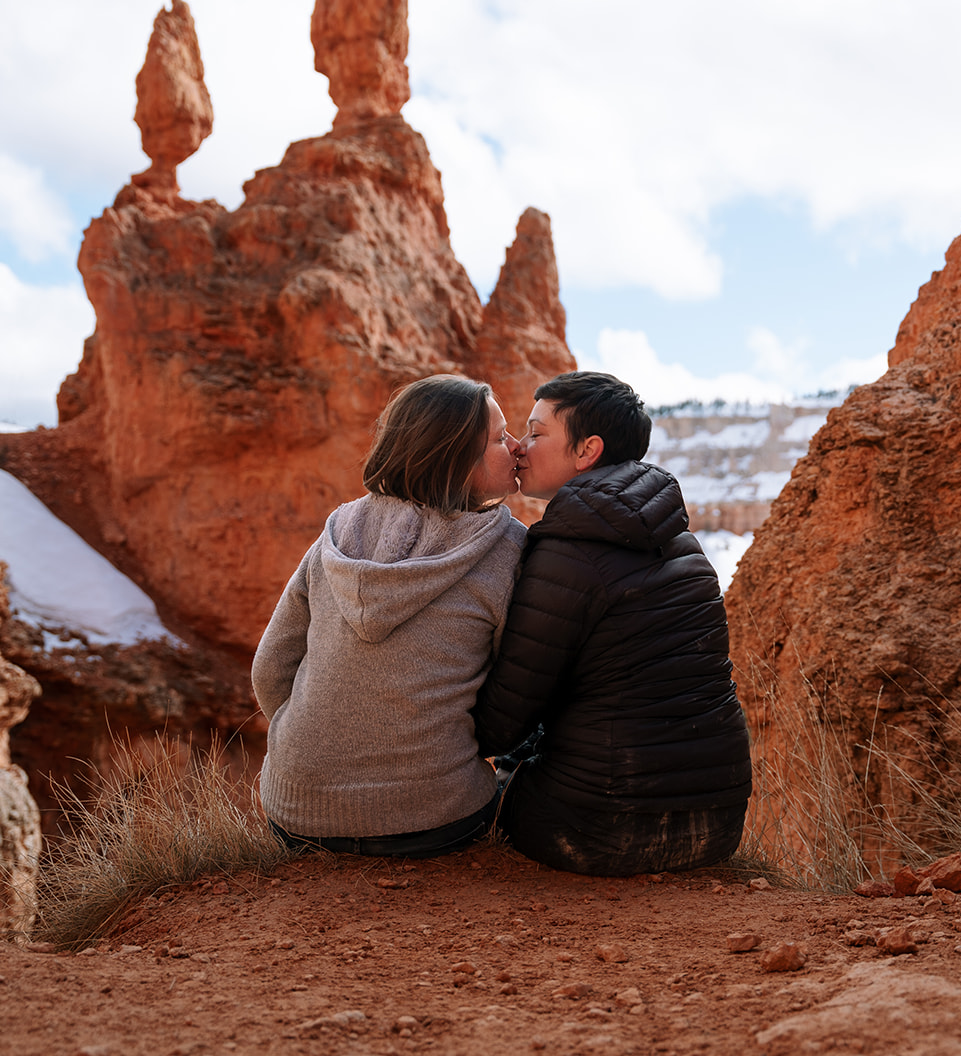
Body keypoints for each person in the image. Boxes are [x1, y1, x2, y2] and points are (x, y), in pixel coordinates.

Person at [474, 370, 752, 877]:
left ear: (587, 452)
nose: (519, 448)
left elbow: (499, 723)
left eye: (536, 434)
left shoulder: (568, 551)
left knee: (478, 800)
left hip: (604, 829)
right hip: (717, 824)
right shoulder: (682, 543)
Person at [252, 375, 524, 858]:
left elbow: (271, 668)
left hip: (295, 816)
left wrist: (332, 755)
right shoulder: (506, 548)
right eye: (500, 438)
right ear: (458, 458)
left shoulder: (337, 532)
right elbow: (515, 695)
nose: (517, 446)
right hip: (436, 819)